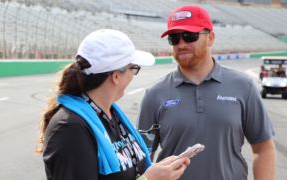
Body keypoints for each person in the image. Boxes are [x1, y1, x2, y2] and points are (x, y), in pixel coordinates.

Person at [137, 5, 276, 180]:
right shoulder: (154, 94)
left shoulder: (243, 86)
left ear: (210, 38)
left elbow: (263, 148)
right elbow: (142, 158)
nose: (181, 44)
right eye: (174, 38)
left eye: (189, 36)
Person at [36, 29, 190, 180]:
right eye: (134, 68)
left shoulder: (110, 113)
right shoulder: (70, 127)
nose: (133, 76)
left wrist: (159, 172)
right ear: (116, 76)